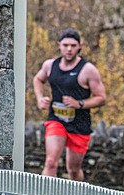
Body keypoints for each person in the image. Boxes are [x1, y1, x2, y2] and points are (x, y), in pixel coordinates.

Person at [33, 28, 106, 181]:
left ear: (80, 46)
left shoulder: (88, 70)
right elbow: (38, 79)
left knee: (73, 170)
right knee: (51, 161)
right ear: (59, 45)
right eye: (65, 45)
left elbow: (101, 98)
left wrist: (79, 103)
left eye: (73, 46)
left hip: (79, 124)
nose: (69, 49)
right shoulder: (50, 65)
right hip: (56, 120)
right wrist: (40, 98)